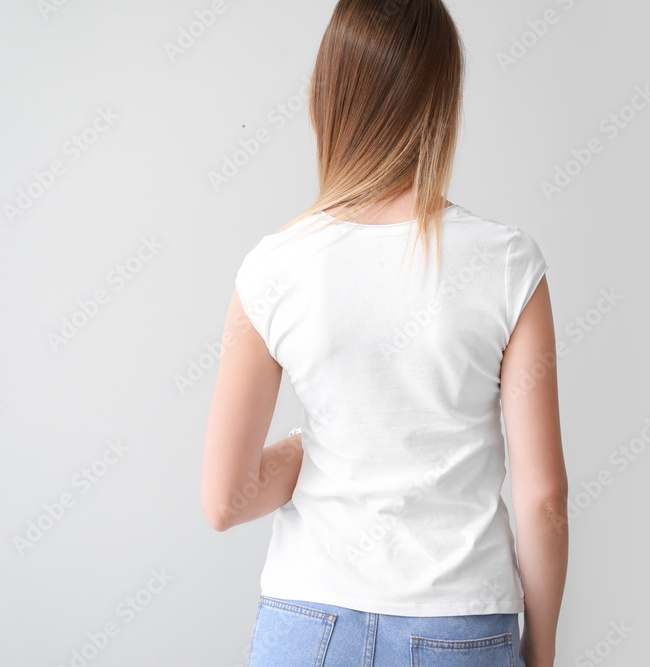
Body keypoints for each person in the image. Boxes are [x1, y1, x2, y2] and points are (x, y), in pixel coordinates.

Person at [200, 1, 568, 665]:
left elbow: (224, 500)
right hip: (460, 628)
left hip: (306, 625)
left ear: (327, 96)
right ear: (441, 103)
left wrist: (311, 450)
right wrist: (539, 654)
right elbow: (542, 499)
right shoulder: (508, 263)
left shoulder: (272, 266)